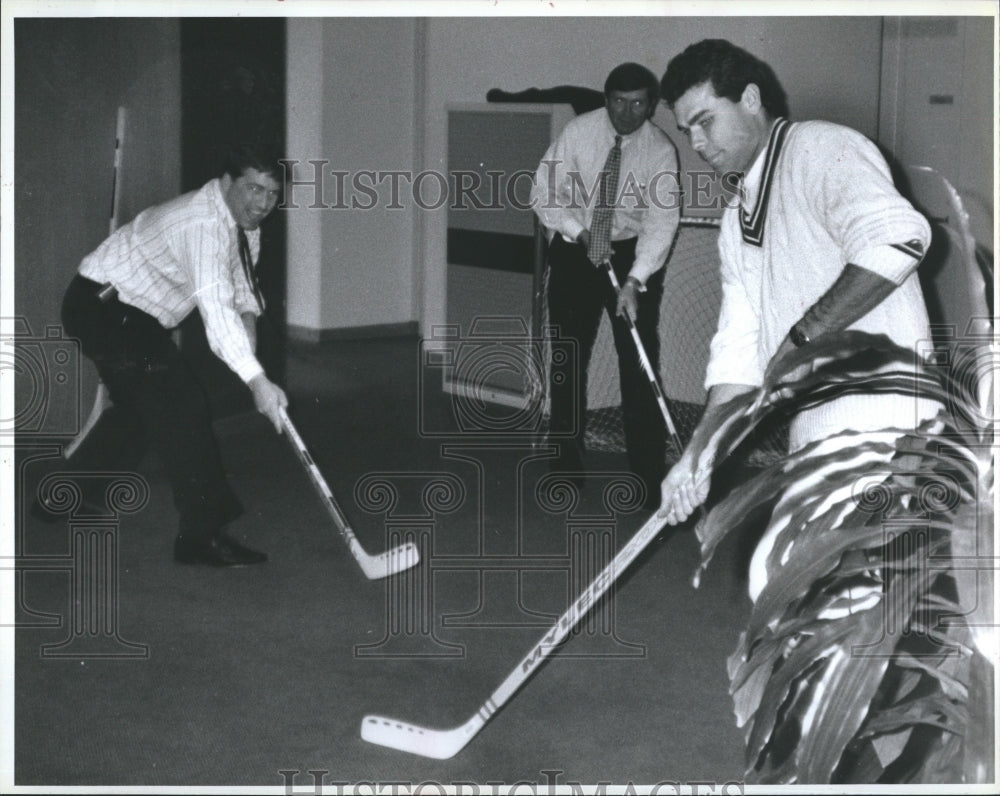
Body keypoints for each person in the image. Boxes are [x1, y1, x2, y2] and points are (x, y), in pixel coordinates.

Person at [656, 39, 940, 599]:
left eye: (705, 121)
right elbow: (738, 354)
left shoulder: (822, 147)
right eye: (687, 129)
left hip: (887, 411)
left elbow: (900, 236)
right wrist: (698, 455)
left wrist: (803, 336)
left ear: (752, 100)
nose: (696, 143)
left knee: (806, 585)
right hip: (818, 424)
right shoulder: (737, 221)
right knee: (781, 582)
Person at [38, 141, 289, 567]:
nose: (262, 203)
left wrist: (249, 318)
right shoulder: (203, 225)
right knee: (182, 405)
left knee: (142, 408)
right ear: (228, 182)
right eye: (253, 189)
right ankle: (200, 536)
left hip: (131, 316)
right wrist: (257, 382)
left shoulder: (243, 223)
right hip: (102, 309)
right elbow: (214, 310)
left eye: (271, 193)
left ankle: (59, 498)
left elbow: (241, 285)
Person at [530, 62, 681, 509]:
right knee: (567, 356)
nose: (627, 112)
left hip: (632, 254)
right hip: (577, 248)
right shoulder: (580, 132)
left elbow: (661, 222)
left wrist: (636, 280)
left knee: (638, 361)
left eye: (638, 103)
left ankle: (648, 474)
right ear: (606, 98)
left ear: (651, 105)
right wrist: (580, 235)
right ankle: (565, 469)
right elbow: (544, 192)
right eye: (618, 101)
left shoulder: (659, 150)